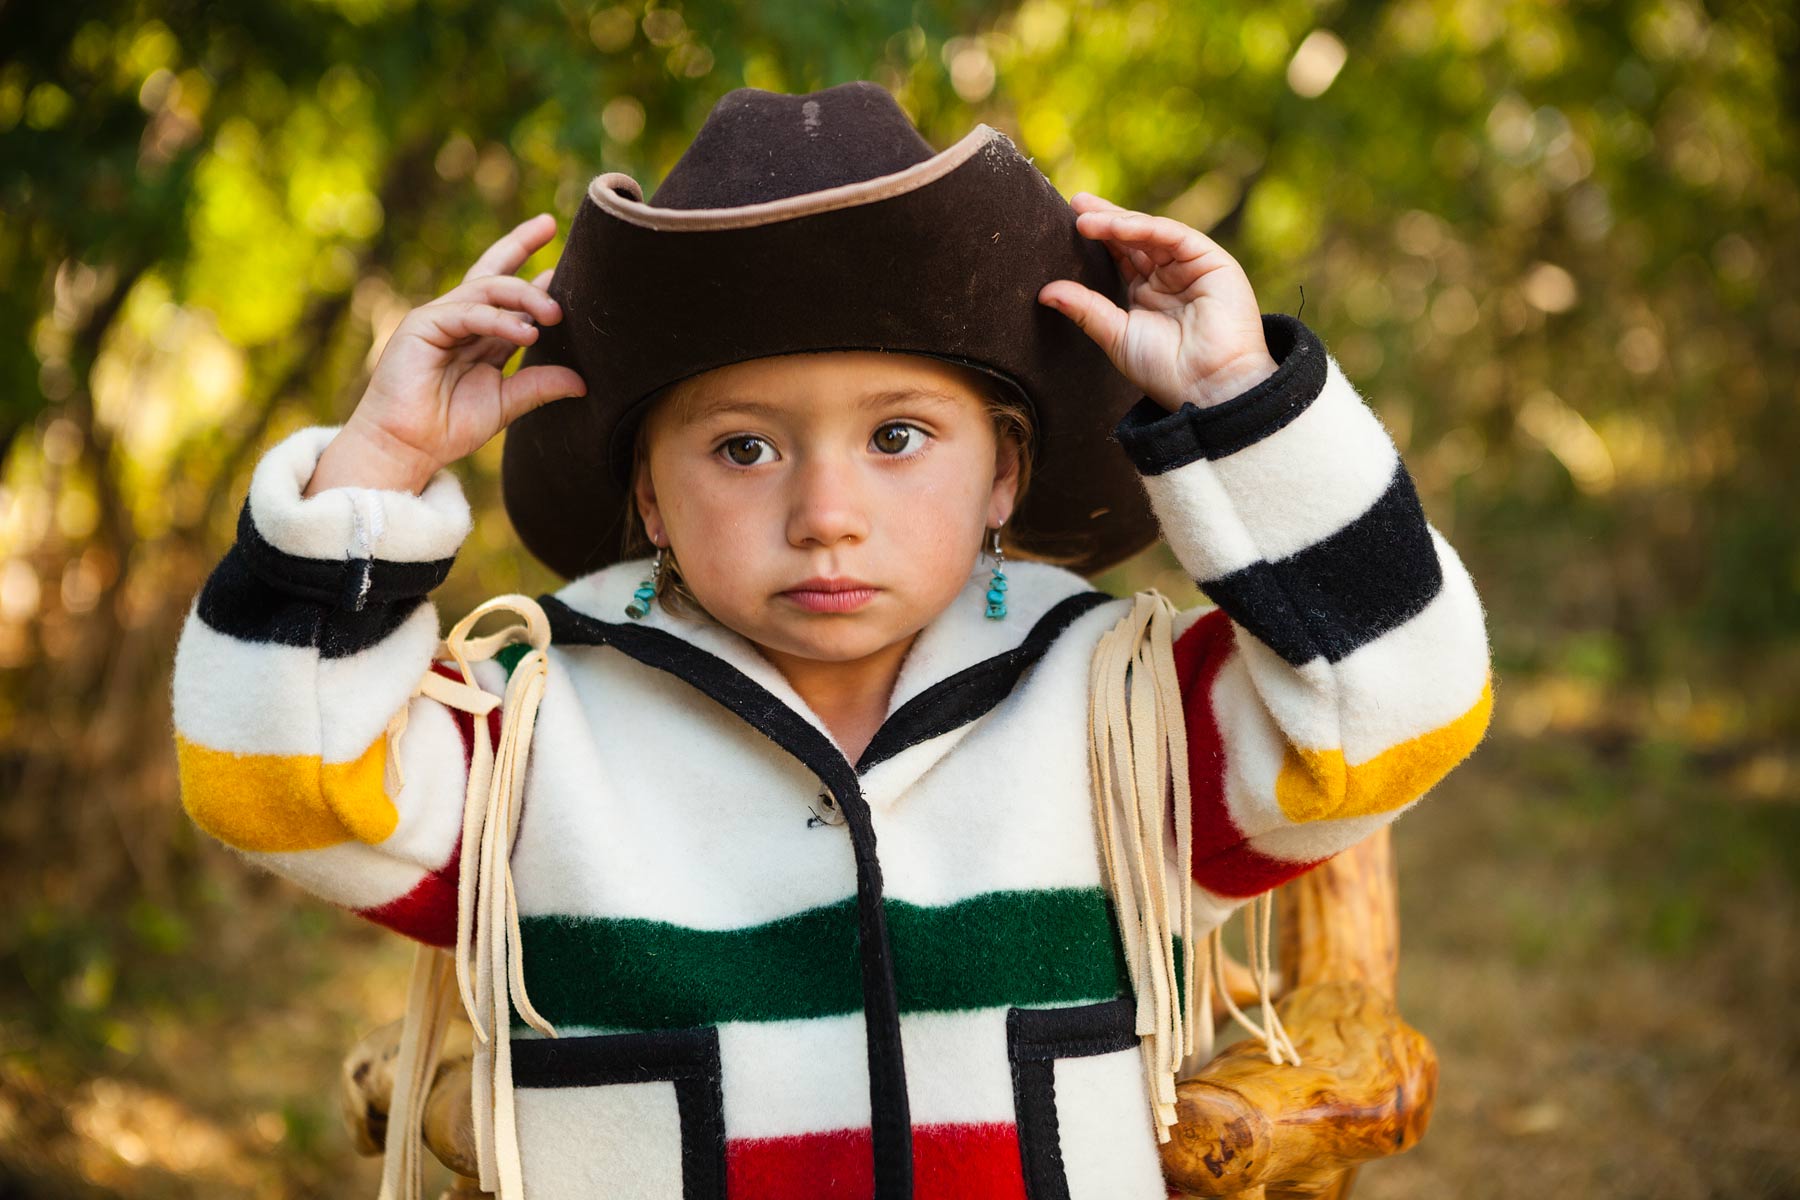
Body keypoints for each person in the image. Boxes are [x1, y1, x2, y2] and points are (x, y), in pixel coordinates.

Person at [169, 81, 1492, 1200]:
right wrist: (375, 469)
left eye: (899, 437)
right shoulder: (531, 731)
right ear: (646, 494)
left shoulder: (1115, 711)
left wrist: (1240, 404)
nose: (826, 515)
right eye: (743, 447)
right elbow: (272, 781)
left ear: (1003, 479)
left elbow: (1396, 706)